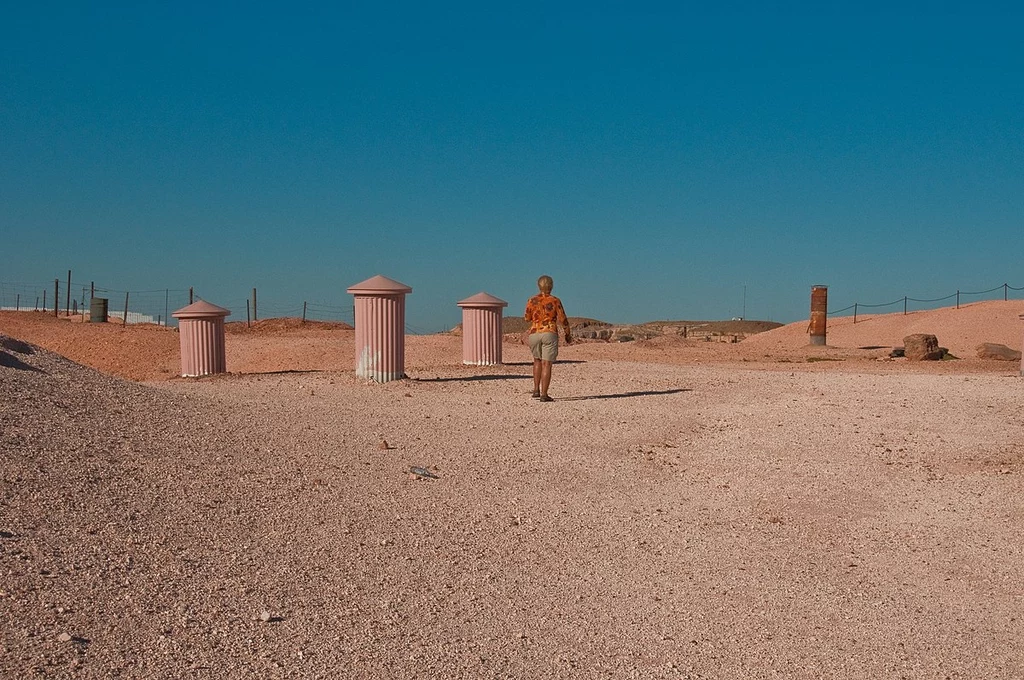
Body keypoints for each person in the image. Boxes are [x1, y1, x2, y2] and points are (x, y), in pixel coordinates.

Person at [524, 275, 573, 402]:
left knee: (537, 360)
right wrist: (568, 334)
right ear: (551, 286)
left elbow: (527, 318)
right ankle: (544, 394)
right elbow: (563, 319)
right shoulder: (555, 301)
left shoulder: (531, 300)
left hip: (534, 332)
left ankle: (536, 389)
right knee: (547, 363)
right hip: (549, 332)